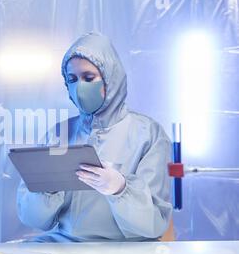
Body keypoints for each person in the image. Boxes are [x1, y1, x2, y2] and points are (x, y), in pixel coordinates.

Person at [16, 32, 173, 242]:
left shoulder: (148, 135)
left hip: (127, 249)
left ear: (111, 79)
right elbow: (32, 219)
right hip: (64, 243)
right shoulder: (59, 134)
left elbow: (153, 225)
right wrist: (46, 192)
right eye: (72, 79)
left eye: (89, 78)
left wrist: (120, 189)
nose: (79, 87)